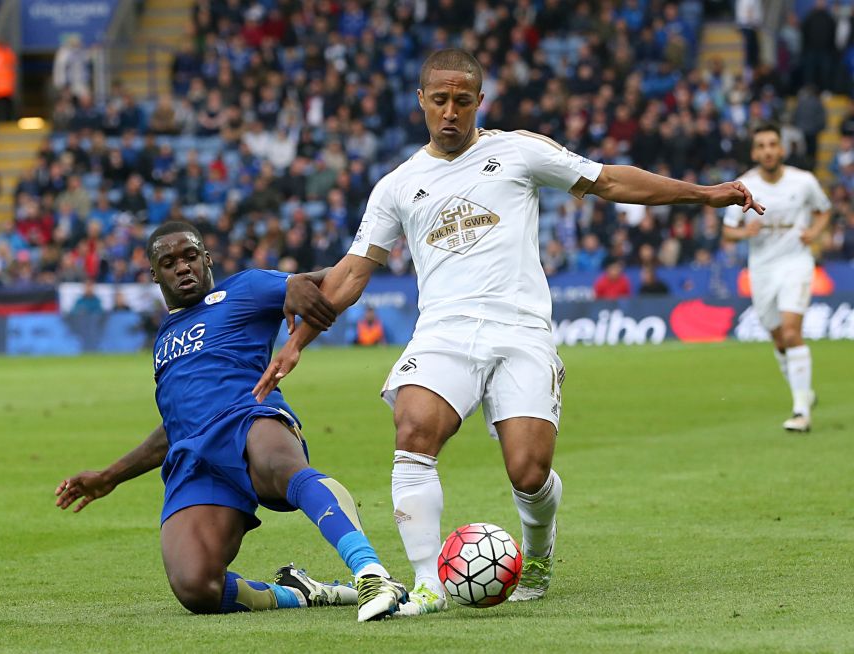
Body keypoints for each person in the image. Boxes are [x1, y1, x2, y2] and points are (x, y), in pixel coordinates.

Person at [254, 49, 764, 616]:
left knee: (529, 471)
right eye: (440, 100)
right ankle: (427, 585)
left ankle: (538, 551)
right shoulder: (397, 186)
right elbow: (352, 273)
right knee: (415, 429)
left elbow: (609, 181)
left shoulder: (518, 151)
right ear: (421, 100)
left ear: (479, 102)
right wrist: (295, 344)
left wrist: (704, 194)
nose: (450, 112)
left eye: (462, 101)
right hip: (444, 331)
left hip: (520, 330)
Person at [55, 222, 407, 621]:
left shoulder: (248, 288)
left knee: (281, 467)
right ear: (154, 274)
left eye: (190, 256)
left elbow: (339, 275)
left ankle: (371, 572)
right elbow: (176, 424)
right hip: (194, 455)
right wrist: (110, 476)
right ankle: (305, 594)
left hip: (248, 416)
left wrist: (298, 287)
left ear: (206, 259)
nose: (182, 268)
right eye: (169, 263)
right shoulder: (164, 337)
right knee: (196, 586)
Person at [722, 123, 831, 433]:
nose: (768, 150)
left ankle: (800, 411)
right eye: (761, 146)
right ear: (755, 152)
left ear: (782, 149)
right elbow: (727, 232)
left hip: (796, 262)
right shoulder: (743, 185)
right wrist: (745, 232)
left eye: (773, 144)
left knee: (791, 331)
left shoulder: (804, 181)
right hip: (762, 268)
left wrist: (814, 233)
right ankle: (805, 392)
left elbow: (824, 210)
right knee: (779, 339)